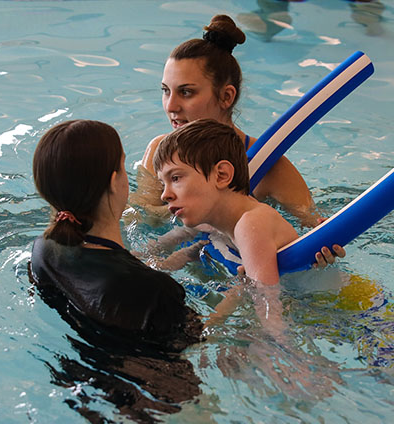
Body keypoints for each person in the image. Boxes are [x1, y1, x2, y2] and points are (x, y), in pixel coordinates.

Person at [29, 119, 204, 424]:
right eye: (124, 168)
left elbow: (110, 276)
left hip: (86, 400)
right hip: (164, 409)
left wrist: (167, 257)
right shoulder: (156, 291)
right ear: (114, 181)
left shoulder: (45, 251)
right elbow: (203, 341)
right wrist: (245, 287)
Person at [132, 13, 344, 266]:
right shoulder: (160, 151)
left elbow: (313, 227)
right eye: (166, 91)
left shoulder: (270, 166)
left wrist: (321, 251)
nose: (171, 106)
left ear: (226, 97)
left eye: (186, 92)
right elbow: (140, 222)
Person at [154, 118, 298, 286]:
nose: (164, 195)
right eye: (163, 184)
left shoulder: (251, 224)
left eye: (176, 178)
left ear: (221, 175)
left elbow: (269, 305)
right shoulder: (216, 221)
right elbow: (157, 249)